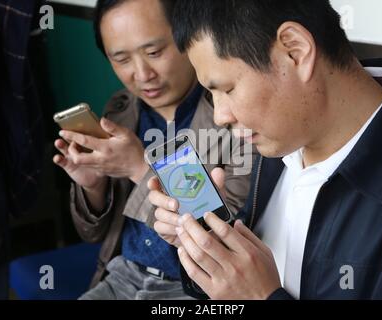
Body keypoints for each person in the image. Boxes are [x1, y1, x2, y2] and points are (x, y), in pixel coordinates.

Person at [148, 0, 382, 299]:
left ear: (295, 51)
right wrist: (209, 250)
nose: (220, 116)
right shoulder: (280, 142)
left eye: (227, 89)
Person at [53, 0, 253, 300]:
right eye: (121, 59)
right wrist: (93, 186)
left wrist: (138, 167)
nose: (142, 74)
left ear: (189, 36)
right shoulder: (120, 111)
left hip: (196, 287)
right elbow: (93, 235)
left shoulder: (231, 113)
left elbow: (227, 232)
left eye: (154, 52)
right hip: (122, 276)